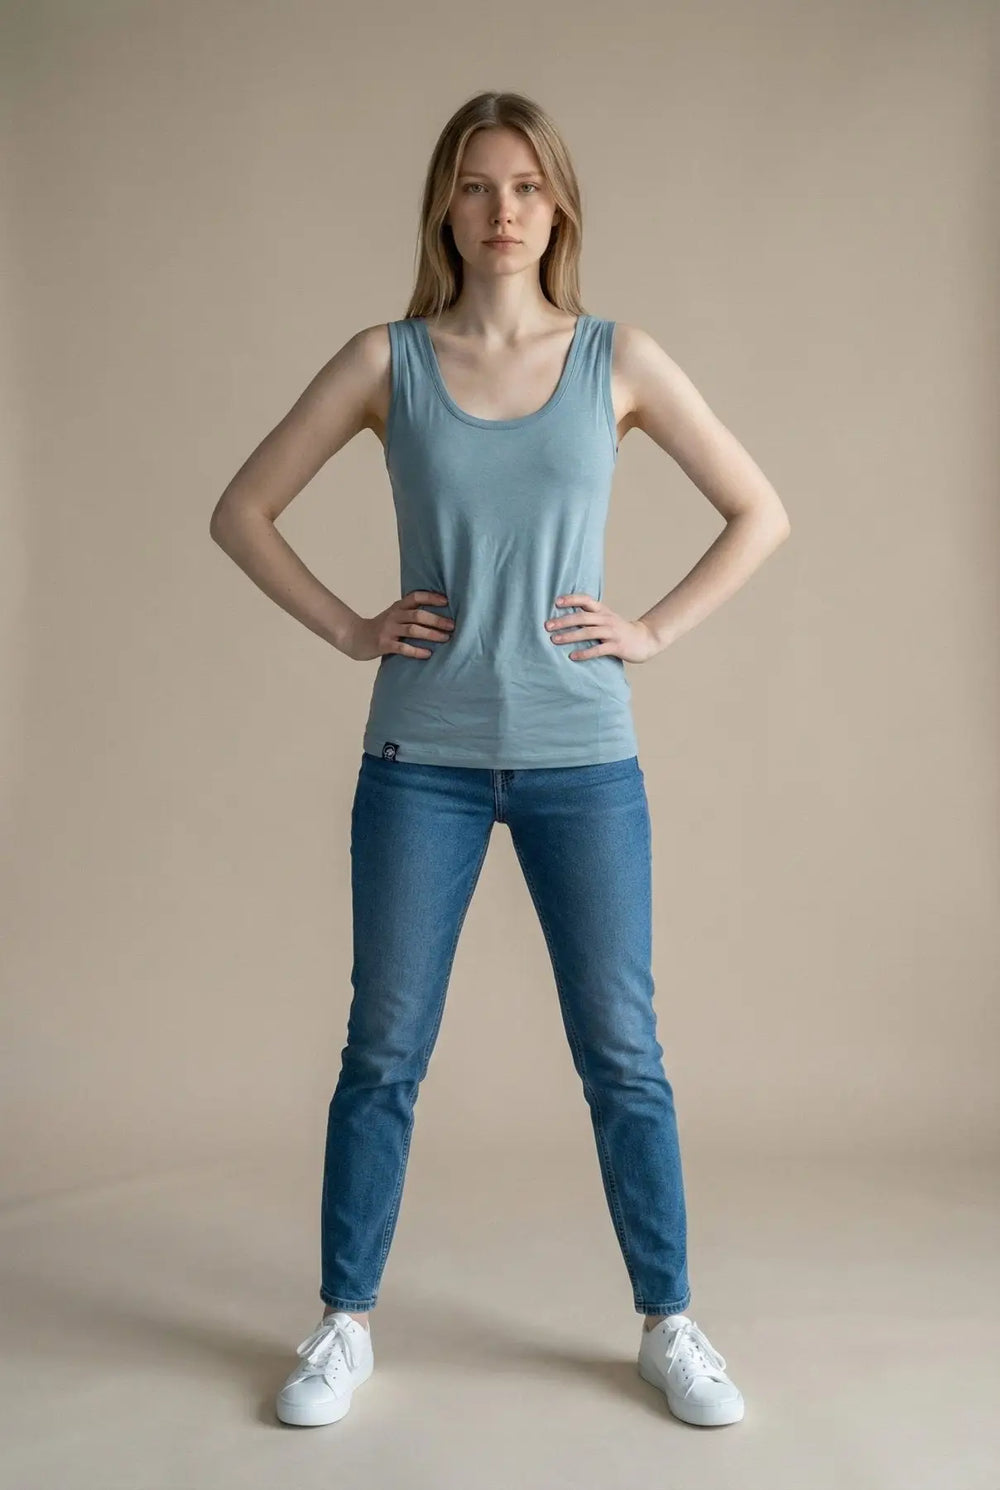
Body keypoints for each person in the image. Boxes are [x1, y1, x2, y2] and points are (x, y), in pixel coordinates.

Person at [210, 89, 790, 1431]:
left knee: (624, 1053)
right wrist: (356, 625)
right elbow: (241, 511)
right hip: (421, 754)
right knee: (384, 1048)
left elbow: (760, 510)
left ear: (560, 204)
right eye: (477, 186)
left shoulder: (617, 358)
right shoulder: (385, 360)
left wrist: (648, 626)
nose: (504, 210)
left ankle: (670, 1323)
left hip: (585, 757)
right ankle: (343, 1323)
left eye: (526, 185)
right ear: (445, 209)